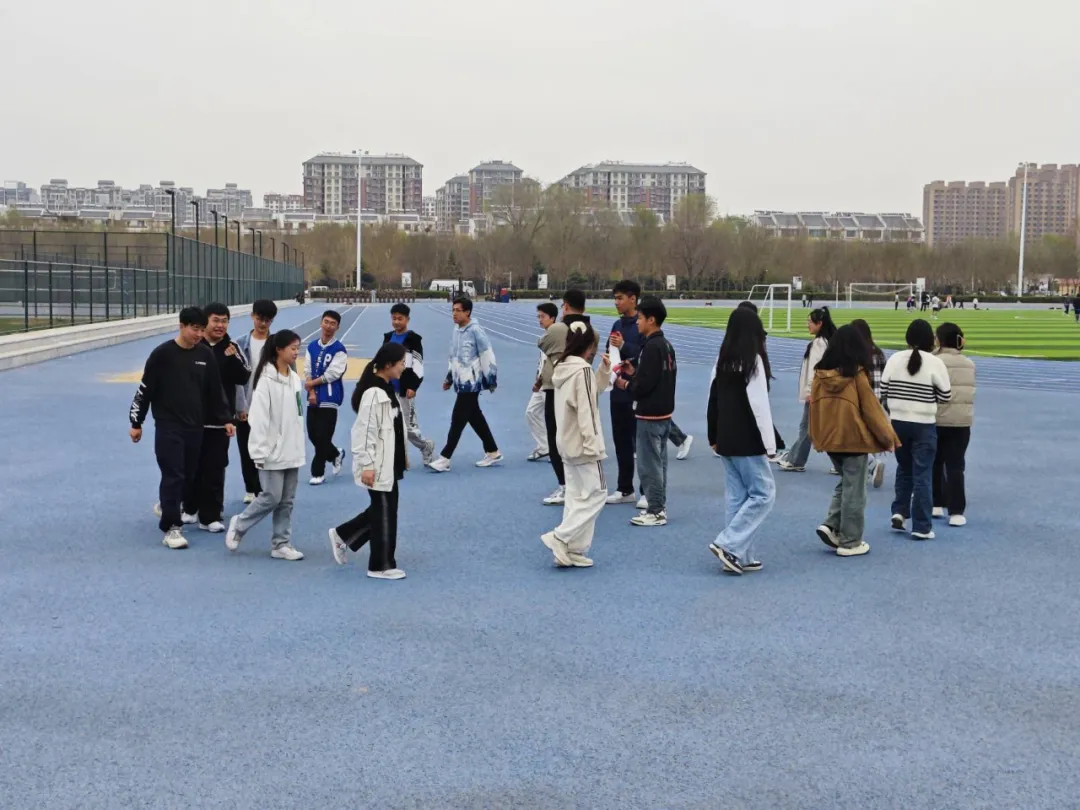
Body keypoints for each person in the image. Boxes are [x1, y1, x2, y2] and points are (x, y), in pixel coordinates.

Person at [130, 307, 235, 549]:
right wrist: (136, 422)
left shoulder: (205, 355)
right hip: (168, 426)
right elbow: (145, 390)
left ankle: (167, 504)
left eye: (201, 329)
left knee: (188, 476)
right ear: (181, 326)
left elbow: (215, 391)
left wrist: (226, 418)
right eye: (194, 329)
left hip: (195, 427)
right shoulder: (162, 354)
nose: (198, 334)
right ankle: (172, 528)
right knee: (173, 474)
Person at [808, 325, 900, 558]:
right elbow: (872, 410)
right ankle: (850, 541)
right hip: (853, 438)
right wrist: (888, 438)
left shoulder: (820, 374)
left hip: (830, 439)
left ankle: (831, 524)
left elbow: (814, 410)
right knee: (855, 491)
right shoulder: (856, 375)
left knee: (848, 482)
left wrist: (817, 438)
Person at [605, 280, 691, 508]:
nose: (616, 302)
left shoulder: (648, 331)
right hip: (619, 391)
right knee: (622, 443)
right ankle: (625, 489)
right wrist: (610, 360)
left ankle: (648, 493)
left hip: (638, 395)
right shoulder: (616, 324)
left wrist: (624, 346)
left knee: (646, 450)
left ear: (633, 299)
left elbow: (646, 356)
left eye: (620, 298)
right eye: (615, 298)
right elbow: (612, 352)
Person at [328, 342, 409, 579]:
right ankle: (380, 565)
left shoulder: (387, 388)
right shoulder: (374, 393)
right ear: (388, 364)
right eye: (401, 363)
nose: (403, 367)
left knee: (384, 510)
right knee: (384, 513)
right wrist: (367, 466)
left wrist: (402, 456)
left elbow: (395, 428)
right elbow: (364, 433)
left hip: (389, 462)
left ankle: (343, 535)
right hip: (378, 464)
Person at [706, 307, 776, 575]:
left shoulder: (722, 360)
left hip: (726, 437)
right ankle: (728, 544)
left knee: (737, 497)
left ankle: (741, 556)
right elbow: (760, 407)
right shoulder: (753, 361)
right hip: (748, 439)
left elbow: (713, 399)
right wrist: (770, 445)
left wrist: (713, 435)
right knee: (764, 494)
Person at [225, 330, 306, 560]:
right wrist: (259, 451)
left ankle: (281, 543)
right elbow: (258, 418)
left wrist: (298, 443)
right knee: (271, 496)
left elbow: (298, 414)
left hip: (292, 448)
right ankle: (240, 524)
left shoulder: (294, 379)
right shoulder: (265, 380)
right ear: (279, 350)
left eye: (297, 348)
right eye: (292, 348)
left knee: (287, 501)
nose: (296, 352)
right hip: (271, 450)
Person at [541, 320, 612, 568]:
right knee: (598, 494)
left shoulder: (563, 368)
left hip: (566, 442)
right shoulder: (581, 371)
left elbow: (587, 395)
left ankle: (572, 548)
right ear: (590, 346)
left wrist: (603, 372)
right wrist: (594, 446)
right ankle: (561, 537)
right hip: (583, 444)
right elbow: (587, 410)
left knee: (575, 496)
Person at [882, 319, 952, 540]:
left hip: (898, 422)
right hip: (923, 423)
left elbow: (883, 390)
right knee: (922, 474)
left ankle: (900, 511)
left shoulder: (895, 359)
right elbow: (946, 395)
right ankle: (921, 526)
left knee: (904, 468)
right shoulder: (935, 363)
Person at [183, 302, 251, 533]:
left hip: (221, 419)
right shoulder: (193, 345)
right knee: (191, 466)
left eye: (224, 321)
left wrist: (232, 359)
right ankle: (189, 507)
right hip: (192, 418)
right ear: (206, 322)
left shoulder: (232, 347)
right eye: (216, 320)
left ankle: (210, 515)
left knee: (215, 467)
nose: (220, 325)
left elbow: (244, 377)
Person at [616, 296, 676, 527]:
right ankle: (659, 506)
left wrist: (625, 383)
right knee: (659, 464)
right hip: (664, 413)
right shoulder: (666, 345)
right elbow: (656, 377)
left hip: (649, 415)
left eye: (640, 318)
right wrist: (634, 372)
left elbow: (644, 386)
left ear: (651, 320)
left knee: (649, 466)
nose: (637, 322)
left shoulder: (651, 347)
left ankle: (656, 510)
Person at [428, 297, 501, 471]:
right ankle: (493, 451)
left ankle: (445, 458)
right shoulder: (456, 330)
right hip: (460, 381)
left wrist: (491, 379)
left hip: (471, 382)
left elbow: (487, 355)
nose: (454, 313)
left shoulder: (476, 330)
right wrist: (449, 377)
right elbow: (453, 356)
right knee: (475, 417)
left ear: (467, 312)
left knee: (457, 418)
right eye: (453, 310)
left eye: (458, 310)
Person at [537, 289, 591, 505]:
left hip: (557, 388)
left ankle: (565, 485)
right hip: (581, 386)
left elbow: (542, 344)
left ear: (565, 306)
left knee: (556, 438)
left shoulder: (557, 329)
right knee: (578, 436)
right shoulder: (592, 331)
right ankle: (581, 484)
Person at [777, 307, 836, 472]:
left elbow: (815, 369)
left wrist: (810, 390)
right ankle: (845, 464)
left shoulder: (819, 343)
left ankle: (796, 460)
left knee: (808, 427)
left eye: (810, 322)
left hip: (817, 392)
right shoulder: (829, 341)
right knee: (827, 428)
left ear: (819, 323)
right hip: (826, 391)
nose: (807, 324)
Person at [234, 299, 277, 503]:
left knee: (269, 450)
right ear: (252, 316)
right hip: (247, 405)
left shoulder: (277, 344)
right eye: (260, 319)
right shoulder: (240, 344)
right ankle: (251, 489)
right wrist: (239, 406)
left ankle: (266, 488)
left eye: (268, 320)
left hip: (270, 406)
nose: (263, 324)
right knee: (246, 450)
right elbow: (235, 378)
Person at [933, 322, 975, 527]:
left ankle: (936, 503)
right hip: (961, 421)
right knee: (956, 466)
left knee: (935, 462)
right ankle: (956, 511)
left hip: (937, 418)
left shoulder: (934, 361)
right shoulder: (969, 363)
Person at [383, 303, 436, 466]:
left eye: (400, 319)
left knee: (409, 427)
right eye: (394, 318)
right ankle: (396, 457)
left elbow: (418, 365)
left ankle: (425, 445)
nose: (396, 322)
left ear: (407, 319)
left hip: (405, 390)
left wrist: (413, 386)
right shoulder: (388, 337)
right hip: (389, 389)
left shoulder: (413, 340)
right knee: (389, 424)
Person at [305, 310, 348, 485]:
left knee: (323, 437)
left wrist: (312, 383)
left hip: (330, 397)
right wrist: (311, 392)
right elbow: (307, 370)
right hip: (313, 398)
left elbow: (333, 374)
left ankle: (318, 473)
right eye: (326, 322)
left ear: (337, 327)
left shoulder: (339, 349)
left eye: (333, 323)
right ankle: (336, 454)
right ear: (321, 323)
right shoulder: (311, 347)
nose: (328, 326)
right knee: (313, 436)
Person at [850, 318, 889, 489]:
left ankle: (871, 464)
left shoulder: (856, 355)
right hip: (877, 400)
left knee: (854, 437)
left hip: (861, 399)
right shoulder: (879, 353)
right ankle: (867, 468)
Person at [525, 304, 558, 462]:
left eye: (543, 316)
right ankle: (545, 446)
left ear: (552, 318)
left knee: (555, 418)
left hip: (551, 384)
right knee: (531, 412)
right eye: (538, 316)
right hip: (541, 382)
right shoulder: (545, 335)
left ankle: (557, 450)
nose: (540, 319)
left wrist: (541, 380)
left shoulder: (555, 336)